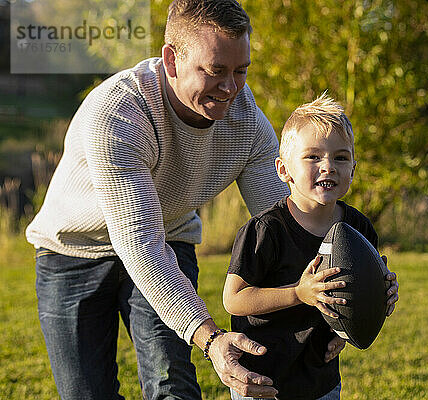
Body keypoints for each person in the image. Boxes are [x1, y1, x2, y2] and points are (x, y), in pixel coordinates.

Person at [26, 1, 296, 398]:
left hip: (168, 237)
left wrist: (343, 295)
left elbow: (285, 229)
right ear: (171, 60)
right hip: (72, 252)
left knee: (173, 385)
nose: (232, 88)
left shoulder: (247, 124)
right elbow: (140, 245)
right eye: (215, 70)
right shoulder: (118, 113)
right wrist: (209, 338)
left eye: (241, 70)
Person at [223, 93, 399, 400]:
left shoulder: (359, 229)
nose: (328, 166)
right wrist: (299, 293)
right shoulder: (266, 230)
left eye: (340, 158)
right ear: (283, 170)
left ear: (353, 169)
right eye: (312, 157)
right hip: (263, 380)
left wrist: (379, 297)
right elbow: (234, 300)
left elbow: (355, 294)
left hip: (321, 378)